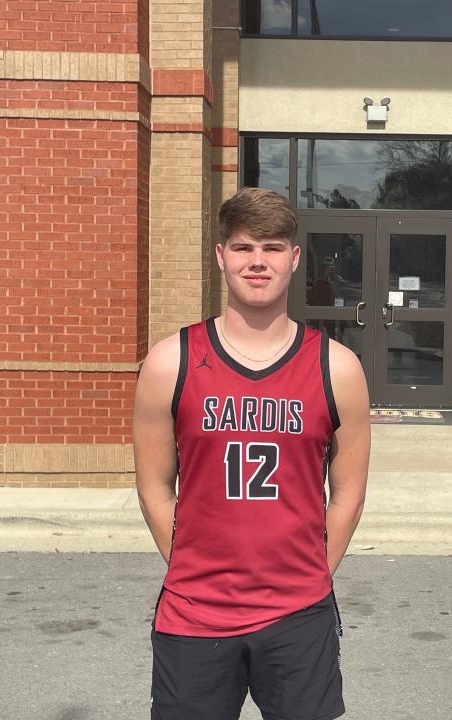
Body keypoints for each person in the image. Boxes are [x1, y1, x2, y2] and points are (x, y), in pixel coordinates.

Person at [132, 187, 371, 720]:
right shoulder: (171, 362)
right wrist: (189, 564)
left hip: (298, 616)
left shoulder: (339, 369)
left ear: (294, 259)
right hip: (194, 614)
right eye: (242, 248)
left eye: (272, 247)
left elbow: (348, 493)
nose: (257, 262)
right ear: (221, 257)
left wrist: (313, 574)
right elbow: (152, 484)